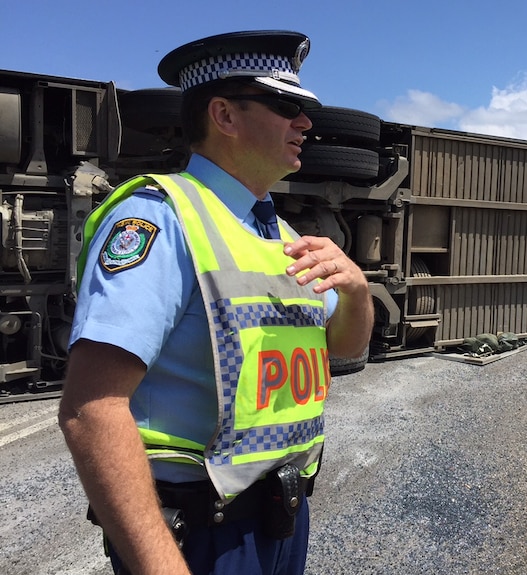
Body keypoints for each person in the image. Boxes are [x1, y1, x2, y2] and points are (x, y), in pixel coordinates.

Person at [58, 30, 374, 575]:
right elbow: (92, 409)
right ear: (224, 115)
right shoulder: (159, 218)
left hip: (281, 520)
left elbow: (343, 347)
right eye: (286, 106)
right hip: (199, 536)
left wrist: (357, 292)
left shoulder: (278, 233)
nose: (305, 123)